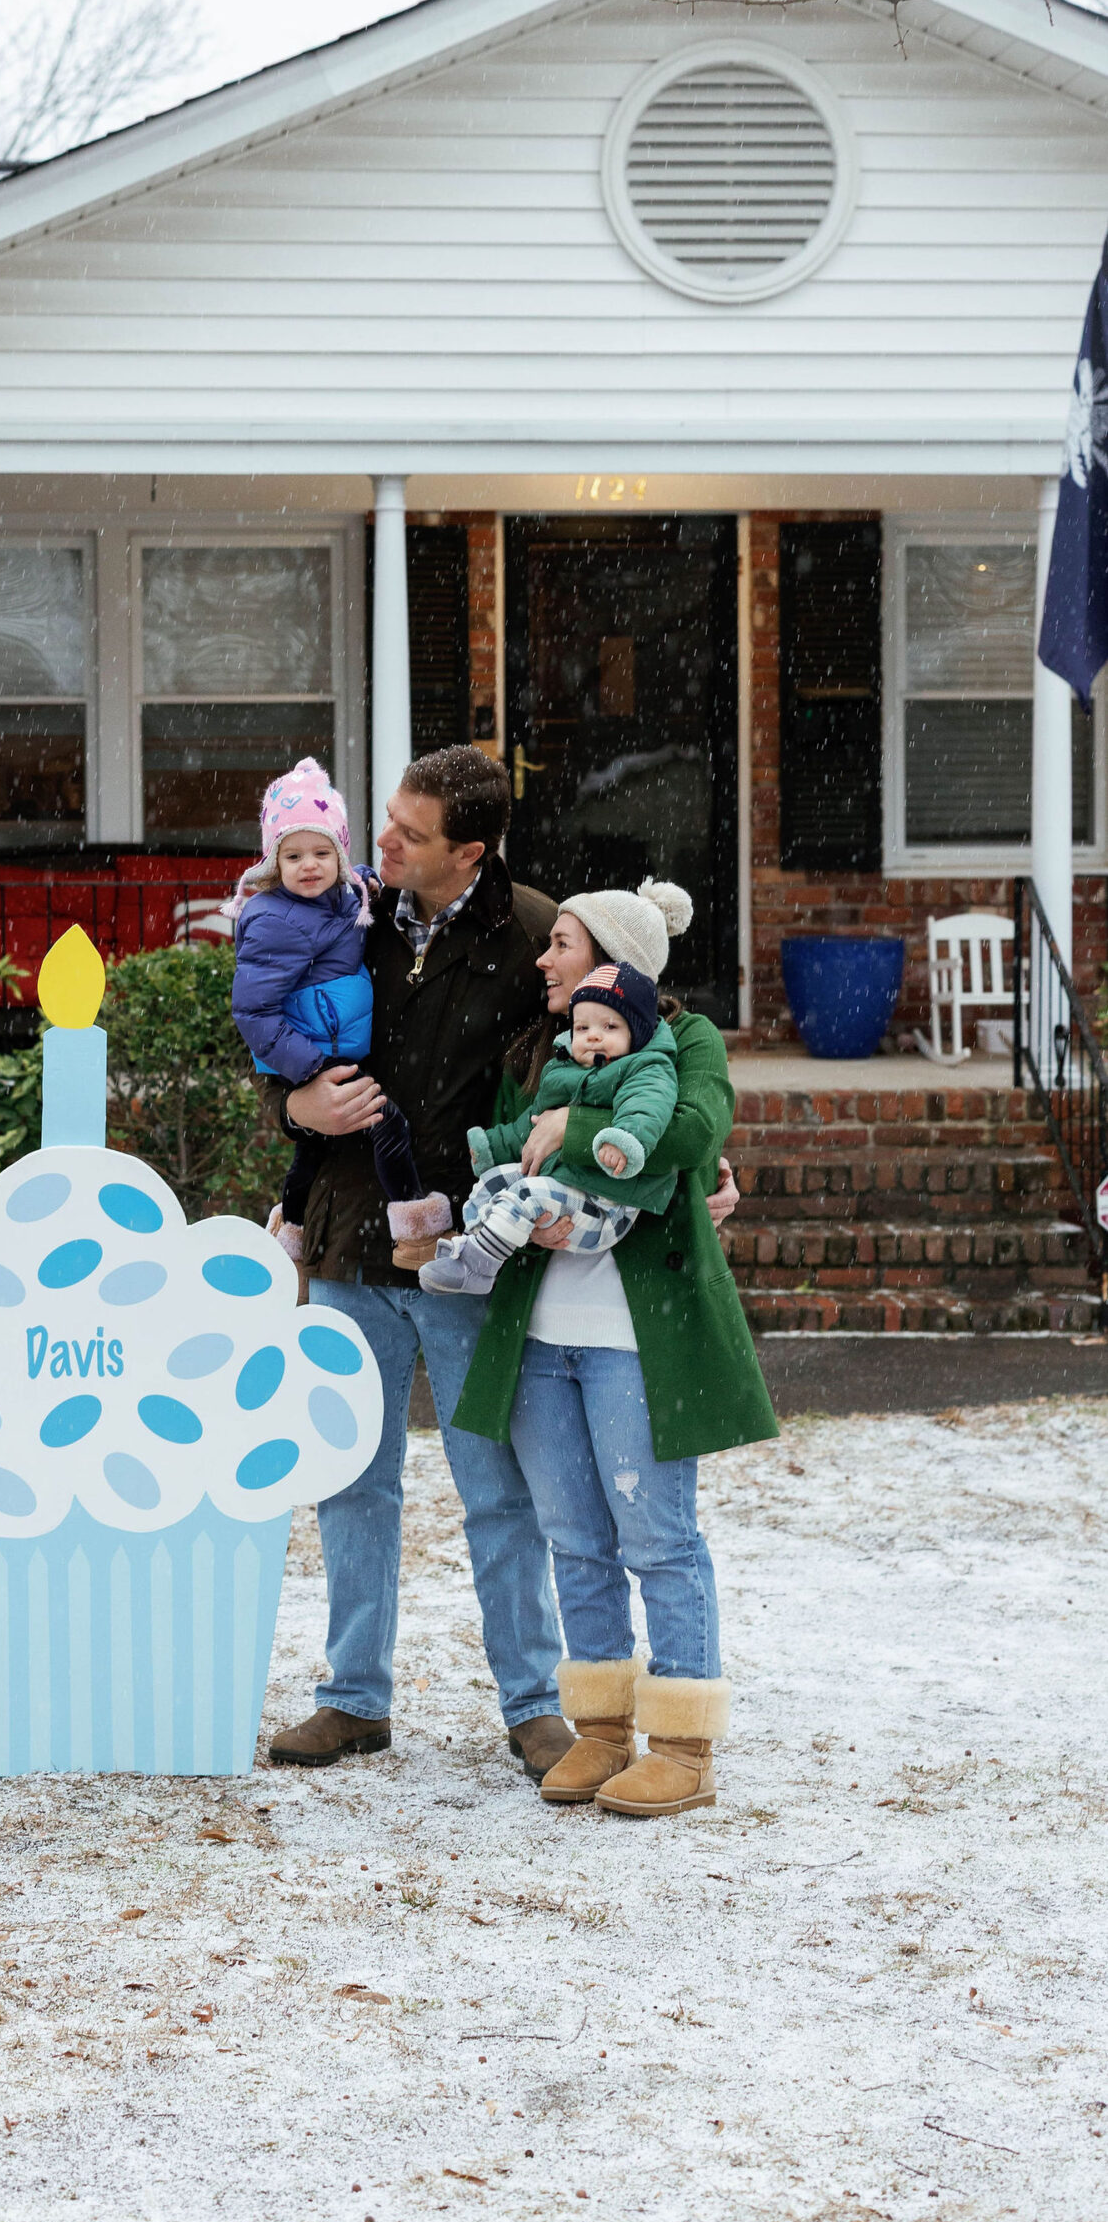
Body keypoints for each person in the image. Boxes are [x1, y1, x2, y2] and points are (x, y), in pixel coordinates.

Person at [261, 745, 579, 1781]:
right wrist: (294, 1106)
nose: (380, 839)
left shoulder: (533, 933)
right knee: (355, 1479)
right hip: (352, 1234)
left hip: (466, 1255)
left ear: (470, 851)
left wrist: (671, 1144)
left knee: (497, 1485)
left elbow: (623, 1049)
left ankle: (534, 1706)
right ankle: (353, 1699)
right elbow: (270, 1024)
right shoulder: (340, 913)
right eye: (385, 819)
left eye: (407, 830)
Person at [452, 881, 780, 1819]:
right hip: (539, 1336)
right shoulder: (547, 1043)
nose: (543, 960)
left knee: (657, 1538)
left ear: (609, 953)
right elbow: (509, 1150)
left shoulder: (689, 1038)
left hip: (636, 1341)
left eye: (560, 942)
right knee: (575, 1542)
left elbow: (691, 1129)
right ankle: (600, 1733)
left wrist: (578, 1131)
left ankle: (682, 1744)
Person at [229, 757, 452, 1264]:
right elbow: (254, 1011)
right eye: (293, 857)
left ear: (340, 854)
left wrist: (365, 882)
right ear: (273, 864)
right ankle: (416, 1228)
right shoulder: (273, 920)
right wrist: (308, 1070)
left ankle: (292, 1233)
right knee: (386, 1124)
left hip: (329, 1046)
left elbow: (351, 897)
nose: (309, 866)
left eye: (322, 852)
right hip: (312, 1052)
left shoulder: (343, 895)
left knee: (313, 1148)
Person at [417, 956, 678, 1294]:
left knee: (526, 1193)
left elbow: (647, 1106)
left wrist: (624, 1139)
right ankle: (471, 1250)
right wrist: (494, 1147)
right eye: (583, 1028)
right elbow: (533, 1125)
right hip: (564, 1189)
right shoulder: (561, 1071)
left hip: (608, 1205)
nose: (594, 1037)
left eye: (610, 1027)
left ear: (637, 1033)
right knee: (492, 1182)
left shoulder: (644, 1067)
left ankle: (481, 1269)